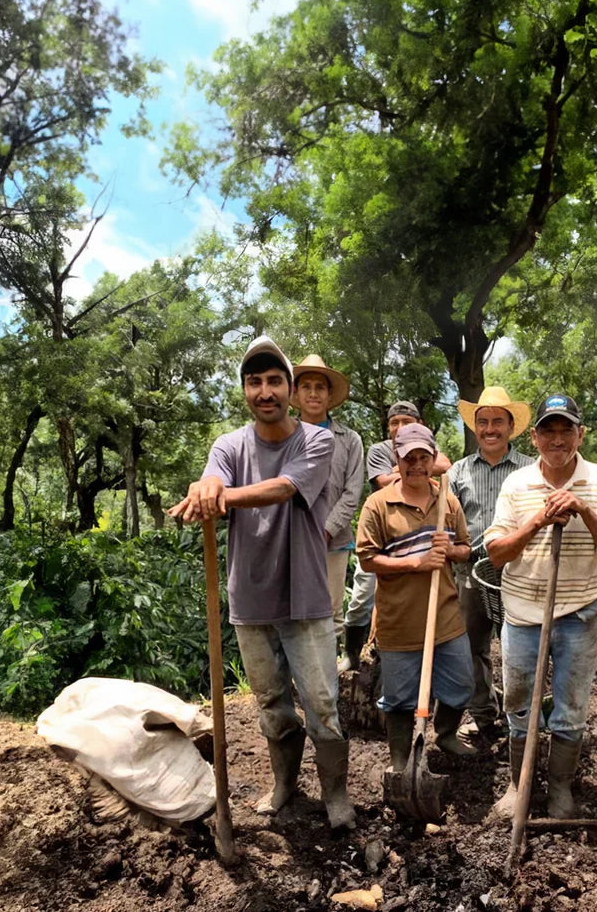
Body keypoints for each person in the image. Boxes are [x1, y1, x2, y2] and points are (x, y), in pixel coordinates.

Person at [167, 336, 355, 830]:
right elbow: (213, 476)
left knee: (322, 705)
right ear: (246, 391)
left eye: (275, 381)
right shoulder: (228, 446)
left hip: (307, 596)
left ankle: (336, 793)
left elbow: (285, 488)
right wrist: (204, 487)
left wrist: (221, 496)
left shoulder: (317, 441)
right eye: (255, 382)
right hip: (250, 599)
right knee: (272, 704)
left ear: (290, 390)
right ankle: (284, 784)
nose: (265, 391)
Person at [485, 395, 597, 820]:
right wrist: (537, 522)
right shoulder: (516, 485)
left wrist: (583, 509)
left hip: (580, 612)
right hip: (522, 613)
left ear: (580, 435)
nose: (556, 438)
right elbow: (496, 554)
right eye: (547, 430)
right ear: (534, 438)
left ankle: (561, 790)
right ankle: (520, 786)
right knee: (518, 703)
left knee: (570, 707)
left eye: (565, 429)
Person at [355, 423, 478, 769]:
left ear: (434, 458)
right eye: (409, 458)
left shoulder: (447, 501)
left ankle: (447, 734)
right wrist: (415, 561)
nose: (417, 465)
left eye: (424, 457)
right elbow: (367, 559)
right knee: (398, 700)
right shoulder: (378, 505)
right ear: (398, 459)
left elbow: (466, 549)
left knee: (461, 684)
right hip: (399, 623)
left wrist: (451, 550)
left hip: (445, 617)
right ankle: (399, 760)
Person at [447, 386, 535, 747]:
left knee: (523, 648)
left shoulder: (532, 469)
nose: (490, 428)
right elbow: (447, 523)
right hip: (471, 573)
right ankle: (485, 717)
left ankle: (526, 719)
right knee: (472, 648)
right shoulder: (458, 472)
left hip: (522, 572)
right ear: (475, 428)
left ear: (511, 426)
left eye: (498, 421)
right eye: (482, 422)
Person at [342, 401, 452, 672]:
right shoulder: (380, 450)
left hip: (416, 535)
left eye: (407, 421)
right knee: (362, 595)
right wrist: (419, 472)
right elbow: (382, 481)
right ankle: (352, 653)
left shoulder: (430, 447)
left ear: (421, 424)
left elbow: (446, 463)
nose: (400, 427)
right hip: (382, 533)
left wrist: (404, 470)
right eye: (395, 423)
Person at [291, 354, 363, 658]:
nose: (313, 393)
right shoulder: (283, 436)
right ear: (295, 393)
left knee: (331, 611)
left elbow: (352, 492)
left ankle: (330, 682)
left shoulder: (349, 439)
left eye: (319, 387)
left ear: (329, 394)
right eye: (306, 386)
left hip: (333, 542)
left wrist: (326, 530)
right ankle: (298, 681)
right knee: (294, 610)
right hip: (291, 541)